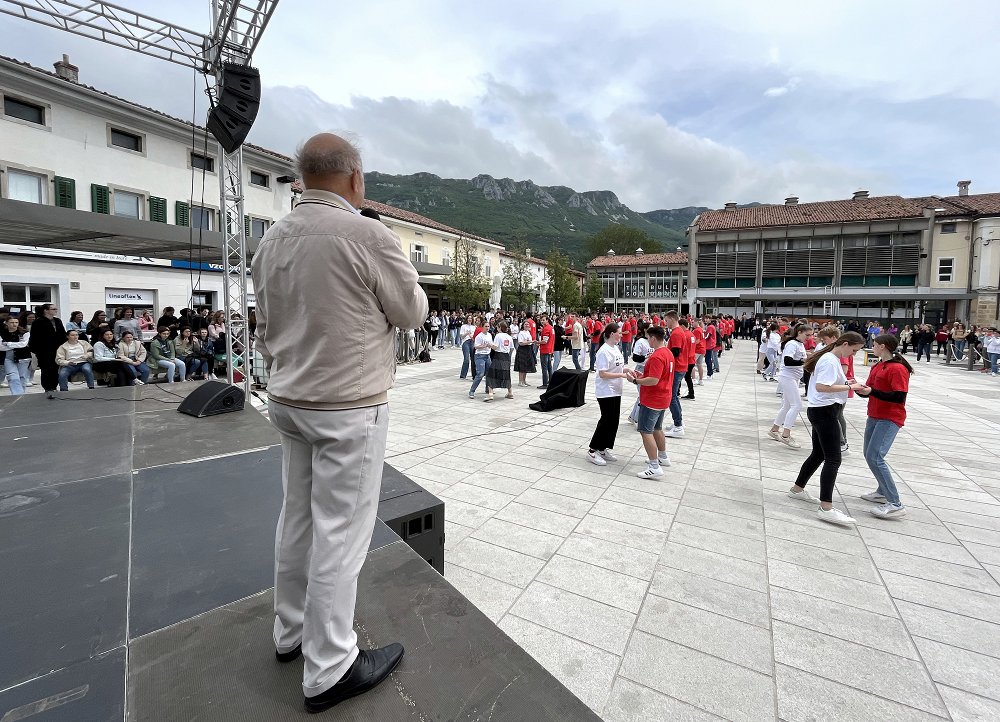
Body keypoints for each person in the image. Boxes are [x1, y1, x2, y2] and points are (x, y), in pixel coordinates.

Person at [252, 133, 426, 712]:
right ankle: (329, 666)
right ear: (355, 178)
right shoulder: (367, 233)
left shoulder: (270, 239)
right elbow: (412, 311)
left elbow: (265, 321)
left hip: (289, 398)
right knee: (341, 534)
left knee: (297, 516)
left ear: (303, 178)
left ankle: (290, 632)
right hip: (346, 405)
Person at [786, 331, 866, 525]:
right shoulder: (830, 360)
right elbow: (822, 386)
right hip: (825, 411)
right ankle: (826, 507)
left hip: (822, 410)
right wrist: (850, 388)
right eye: (854, 350)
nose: (853, 355)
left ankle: (797, 489)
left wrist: (847, 383)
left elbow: (825, 384)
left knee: (819, 454)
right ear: (845, 344)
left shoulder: (830, 358)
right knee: (833, 459)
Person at [853, 334, 913, 518]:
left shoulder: (897, 368)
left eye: (875, 344)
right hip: (874, 415)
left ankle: (895, 503)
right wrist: (859, 389)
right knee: (869, 454)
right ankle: (882, 491)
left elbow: (898, 396)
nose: (873, 346)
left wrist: (872, 391)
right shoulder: (878, 365)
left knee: (875, 457)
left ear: (883, 346)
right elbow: (871, 392)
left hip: (889, 417)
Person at [631, 325, 673, 477]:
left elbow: (654, 380)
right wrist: (640, 375)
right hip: (663, 397)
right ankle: (662, 457)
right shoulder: (667, 352)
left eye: (648, 338)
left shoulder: (656, 356)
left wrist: (636, 380)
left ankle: (654, 466)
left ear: (653, 338)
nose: (647, 340)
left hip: (653, 399)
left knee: (645, 431)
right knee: (657, 428)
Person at [587, 323, 629, 466]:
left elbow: (618, 367)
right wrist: (622, 375)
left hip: (616, 390)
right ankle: (593, 450)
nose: (621, 335)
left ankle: (603, 448)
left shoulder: (615, 348)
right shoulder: (603, 351)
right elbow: (603, 373)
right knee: (606, 420)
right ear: (612, 334)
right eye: (619, 332)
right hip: (606, 391)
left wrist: (627, 371)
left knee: (614, 421)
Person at [768, 323, 811, 448]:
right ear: (800, 332)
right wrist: (803, 361)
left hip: (793, 377)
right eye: (807, 335)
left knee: (787, 405)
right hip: (788, 377)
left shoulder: (799, 344)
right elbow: (787, 361)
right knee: (797, 405)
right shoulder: (792, 344)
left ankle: (775, 429)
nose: (808, 337)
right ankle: (786, 435)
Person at [28, 303, 67, 394]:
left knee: (55, 369)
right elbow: (34, 337)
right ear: (46, 310)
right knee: (46, 369)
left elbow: (62, 334)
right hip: (44, 351)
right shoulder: (38, 322)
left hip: (57, 349)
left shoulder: (57, 321)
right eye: (53, 309)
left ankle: (54, 386)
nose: (55, 311)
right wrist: (37, 350)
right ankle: (48, 388)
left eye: (56, 309)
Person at [664, 312, 687, 438]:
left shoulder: (676, 333)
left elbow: (676, 352)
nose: (666, 323)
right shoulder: (677, 332)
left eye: (667, 320)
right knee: (674, 397)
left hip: (677, 367)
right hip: (679, 367)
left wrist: (664, 354)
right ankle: (679, 422)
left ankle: (678, 426)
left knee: (671, 397)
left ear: (673, 319)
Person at [1, 315, 32, 395]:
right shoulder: (2, 333)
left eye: (16, 322)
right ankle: (16, 394)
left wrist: (8, 344)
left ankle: (20, 394)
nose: (14, 324)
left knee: (22, 376)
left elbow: (23, 344)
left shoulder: (25, 332)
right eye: (11, 322)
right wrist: (15, 345)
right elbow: (1, 347)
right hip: (8, 357)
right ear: (6, 323)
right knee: (12, 376)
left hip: (23, 357)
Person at [485, 321, 514, 402]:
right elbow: (512, 348)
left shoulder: (498, 335)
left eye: (497, 327)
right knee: (506, 374)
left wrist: (489, 344)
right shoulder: (509, 337)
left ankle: (490, 394)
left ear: (500, 328)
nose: (496, 328)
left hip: (498, 356)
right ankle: (510, 392)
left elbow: (495, 347)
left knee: (491, 374)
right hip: (506, 357)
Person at [469, 322, 494, 399]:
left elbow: (492, 344)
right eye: (486, 326)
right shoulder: (479, 336)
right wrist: (484, 346)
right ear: (483, 327)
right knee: (480, 374)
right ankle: (472, 391)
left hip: (487, 355)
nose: (487, 328)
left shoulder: (489, 335)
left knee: (488, 373)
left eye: (488, 326)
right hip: (480, 356)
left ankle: (488, 389)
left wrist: (491, 346)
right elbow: (476, 346)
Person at [514, 321, 536, 387]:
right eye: (525, 324)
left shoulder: (528, 332)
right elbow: (521, 343)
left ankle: (524, 380)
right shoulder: (521, 333)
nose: (527, 325)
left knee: (526, 365)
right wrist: (530, 341)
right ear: (523, 325)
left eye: (528, 324)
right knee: (522, 366)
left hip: (528, 349)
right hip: (523, 349)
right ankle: (520, 381)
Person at [537, 315, 554, 389]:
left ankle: (545, 384)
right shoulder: (551, 328)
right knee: (549, 367)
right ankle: (550, 382)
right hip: (550, 349)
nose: (542, 321)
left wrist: (537, 342)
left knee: (544, 368)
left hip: (545, 350)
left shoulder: (546, 329)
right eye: (541, 320)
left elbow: (544, 341)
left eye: (543, 320)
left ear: (547, 320)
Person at [458, 315, 476, 380]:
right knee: (466, 359)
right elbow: (462, 336)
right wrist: (467, 333)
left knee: (473, 359)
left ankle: (474, 375)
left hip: (472, 342)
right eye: (468, 318)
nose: (470, 319)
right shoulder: (463, 326)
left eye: (471, 318)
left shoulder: (474, 327)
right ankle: (463, 375)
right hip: (466, 342)